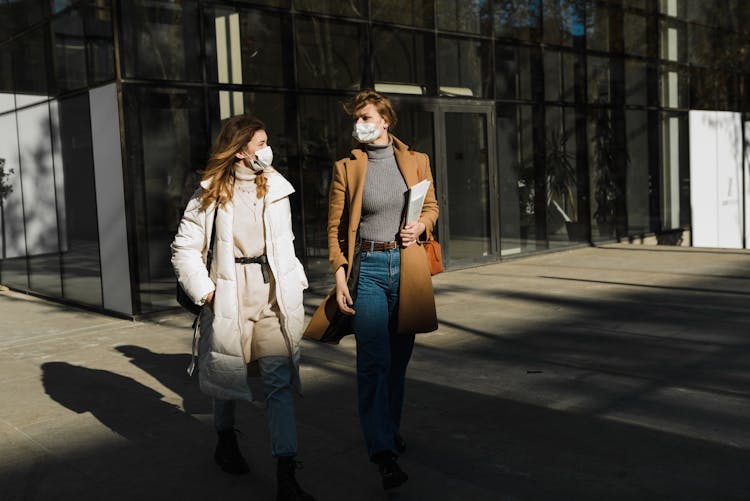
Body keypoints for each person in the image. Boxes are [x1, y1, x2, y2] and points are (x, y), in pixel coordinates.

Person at [171, 115, 315, 501]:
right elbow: (184, 249)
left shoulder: (276, 187)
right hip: (229, 291)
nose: (267, 149)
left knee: (278, 381)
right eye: (260, 142)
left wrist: (295, 279)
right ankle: (225, 440)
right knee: (227, 374)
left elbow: (286, 243)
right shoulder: (209, 194)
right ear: (239, 151)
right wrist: (205, 291)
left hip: (271, 294)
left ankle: (287, 472)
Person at [310, 89, 439, 490]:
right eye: (357, 119)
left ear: (385, 121)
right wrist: (339, 273)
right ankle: (382, 451)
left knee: (397, 364)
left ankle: (389, 430)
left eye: (366, 118)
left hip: (408, 269)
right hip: (367, 270)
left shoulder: (417, 161)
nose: (360, 125)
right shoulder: (347, 167)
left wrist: (422, 226)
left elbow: (432, 206)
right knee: (372, 362)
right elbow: (333, 228)